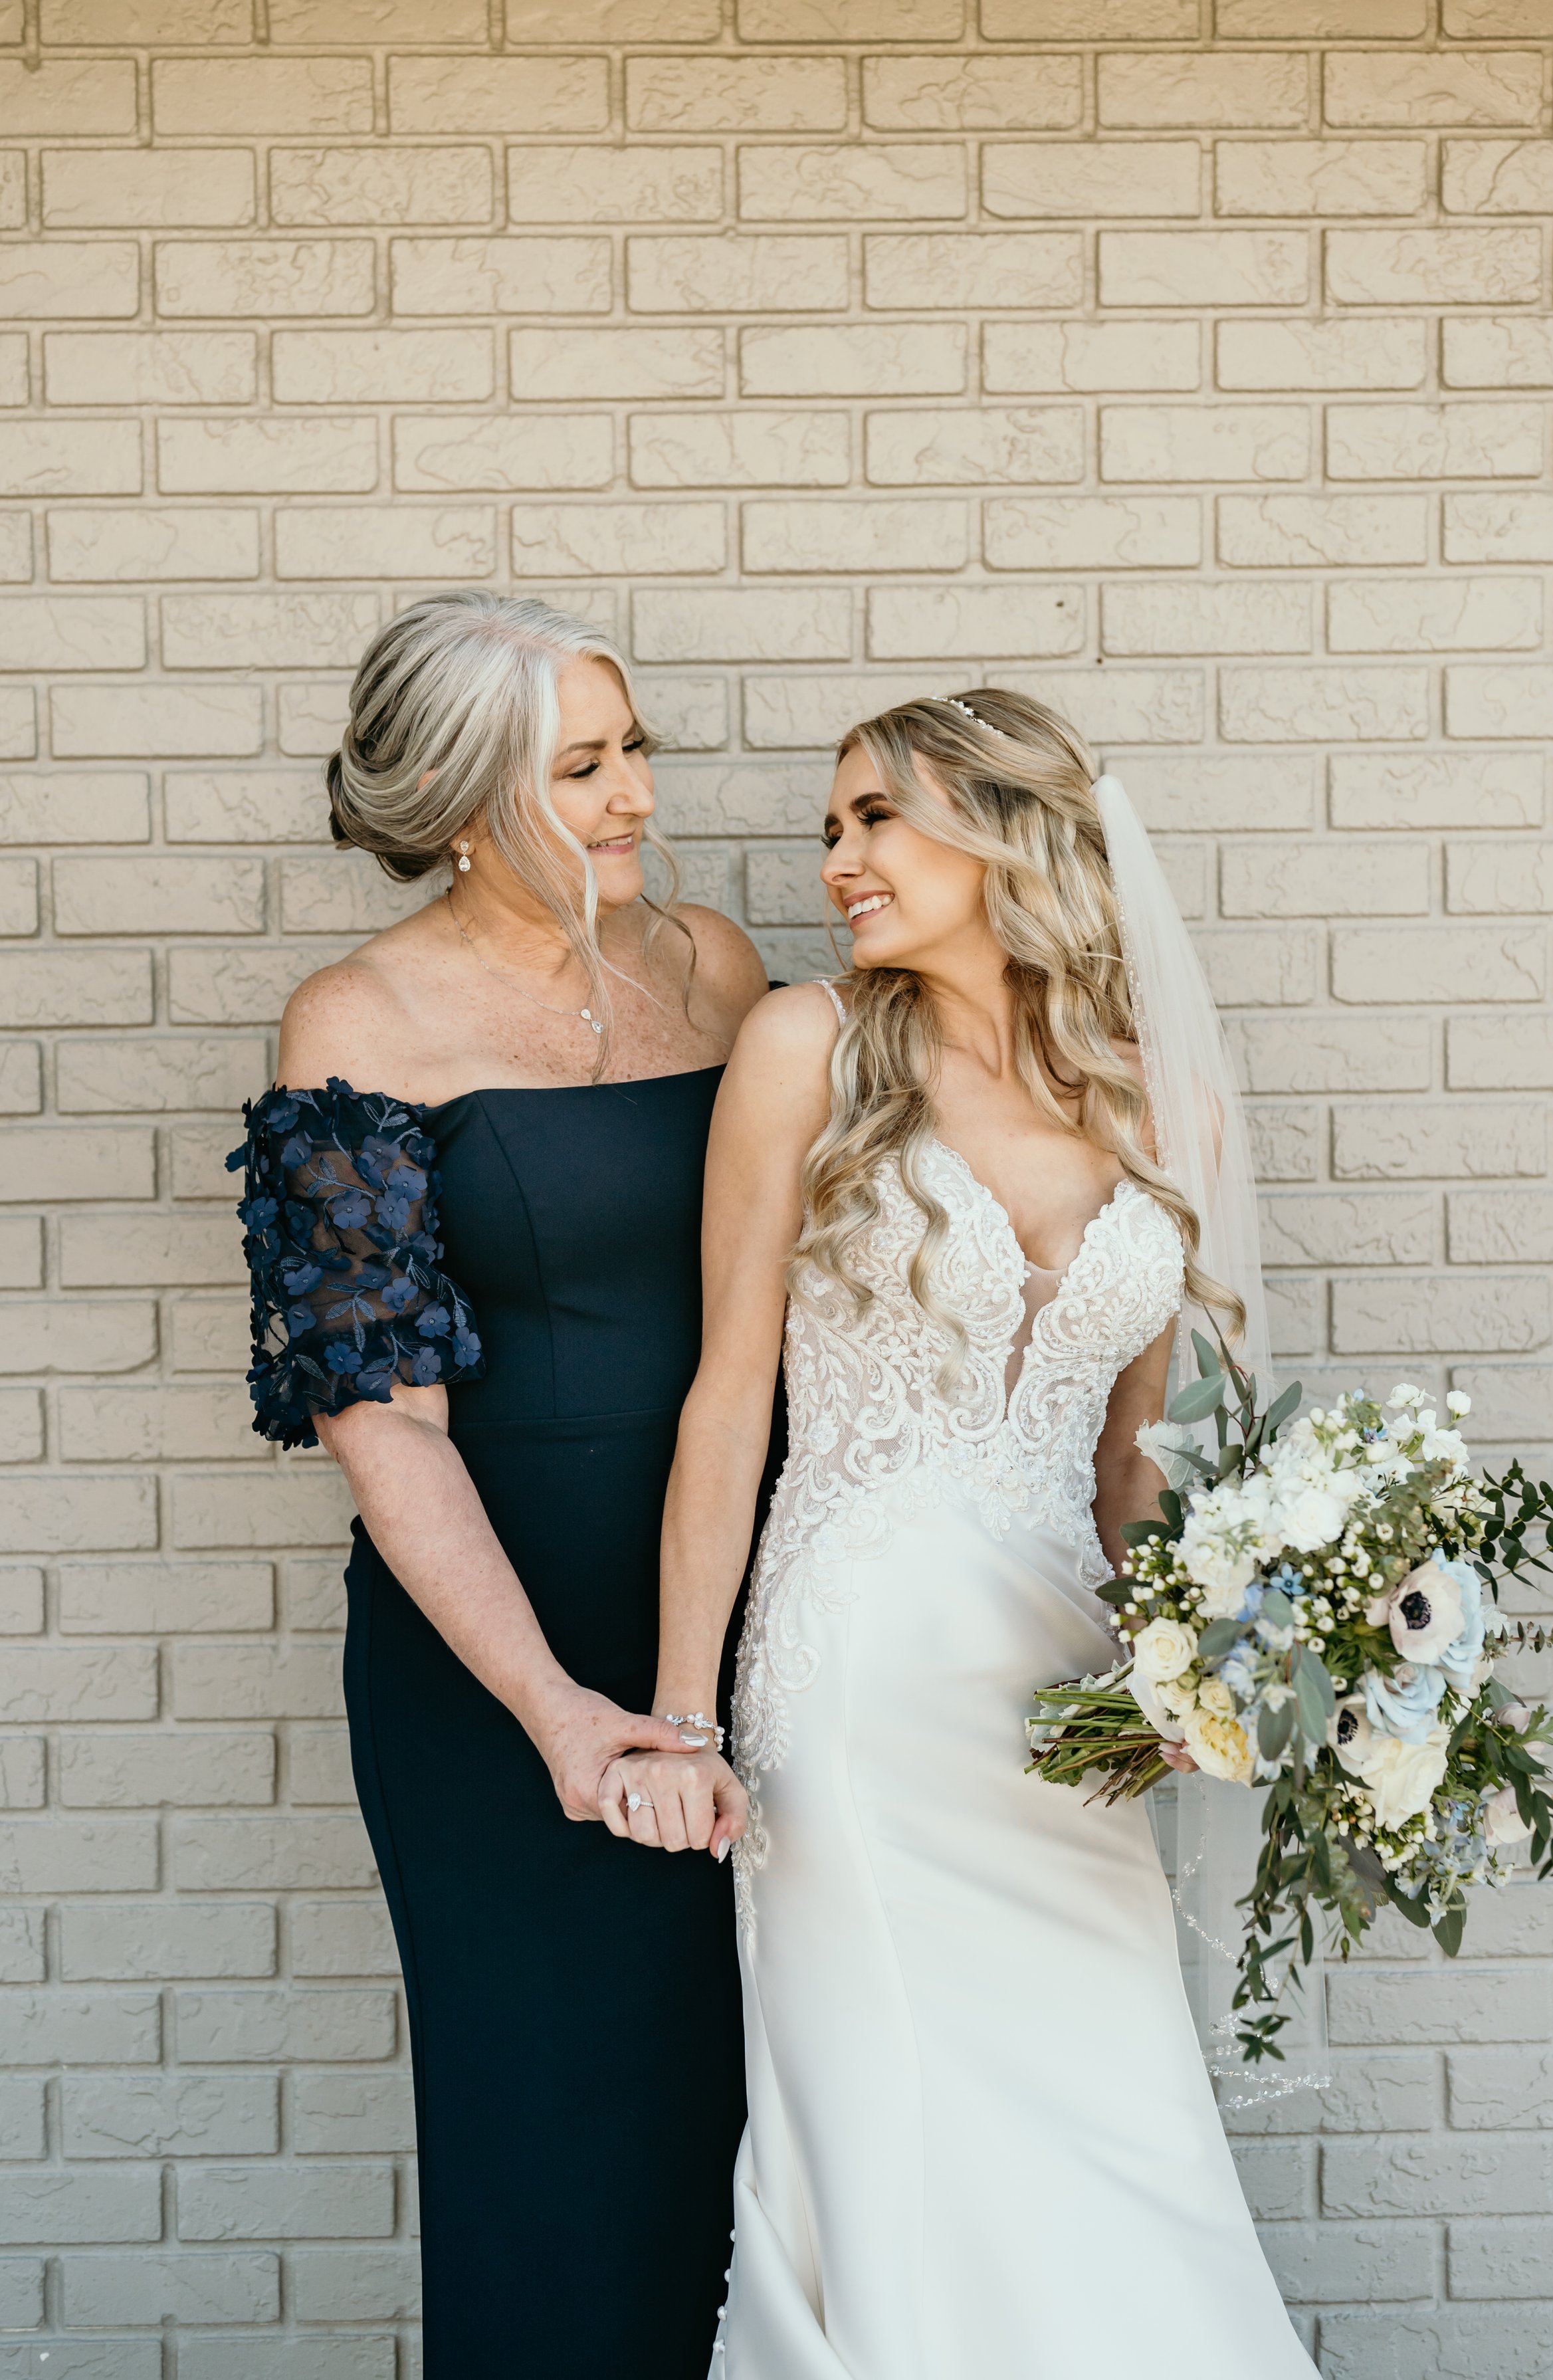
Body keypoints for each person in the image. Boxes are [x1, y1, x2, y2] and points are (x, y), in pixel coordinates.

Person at [607, 690, 1315, 2377]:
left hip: (1068, 1698)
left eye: (878, 820)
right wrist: (682, 1715)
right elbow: (727, 1401)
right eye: (831, 826)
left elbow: (1132, 1470)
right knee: (892, 2117)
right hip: (855, 1672)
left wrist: (1203, 1677)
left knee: (1114, 2106)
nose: (839, 858)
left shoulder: (1164, 1109)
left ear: (1004, 832)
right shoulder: (807, 1050)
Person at [229, 593, 769, 2377]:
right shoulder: (358, 1020)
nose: (631, 797)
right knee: (554, 2139)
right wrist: (555, 1709)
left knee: (767, 2116)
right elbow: (377, 1413)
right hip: (496, 1663)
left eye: (632, 752)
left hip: (746, 1607)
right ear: (463, 804)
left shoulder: (714, 963)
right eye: (579, 768)